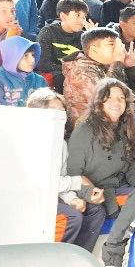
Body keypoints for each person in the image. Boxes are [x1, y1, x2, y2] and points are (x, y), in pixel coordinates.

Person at [27, 90, 107, 252]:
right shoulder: (29, 141)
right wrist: (78, 181)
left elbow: (61, 177)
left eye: (62, 111)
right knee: (72, 217)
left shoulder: (60, 143)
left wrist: (72, 200)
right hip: (32, 198)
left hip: (54, 196)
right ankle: (51, 260)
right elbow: (43, 183)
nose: (60, 116)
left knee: (96, 210)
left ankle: (78, 260)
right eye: (53, 111)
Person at [66, 77, 135, 224]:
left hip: (121, 187)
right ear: (99, 102)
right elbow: (73, 172)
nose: (117, 103)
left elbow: (133, 167)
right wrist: (88, 192)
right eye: (109, 98)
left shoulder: (127, 128)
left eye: (121, 98)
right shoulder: (84, 130)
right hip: (99, 192)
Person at [62, 27, 135, 123]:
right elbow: (107, 101)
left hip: (111, 126)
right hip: (88, 129)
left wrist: (131, 69)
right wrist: (117, 62)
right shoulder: (80, 71)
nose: (119, 49)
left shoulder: (112, 67)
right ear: (94, 50)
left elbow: (134, 101)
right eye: (112, 44)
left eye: (119, 45)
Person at [36, 0, 89, 89]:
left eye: (84, 17)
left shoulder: (84, 36)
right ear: (63, 16)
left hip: (77, 75)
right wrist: (69, 70)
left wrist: (92, 38)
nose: (82, 21)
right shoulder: (48, 32)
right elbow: (42, 63)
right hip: (57, 76)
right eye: (77, 15)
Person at [0, 36, 46, 106]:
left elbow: (47, 108)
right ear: (12, 57)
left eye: (33, 55)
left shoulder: (39, 80)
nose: (32, 60)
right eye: (26, 55)